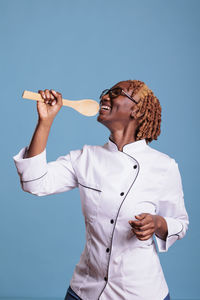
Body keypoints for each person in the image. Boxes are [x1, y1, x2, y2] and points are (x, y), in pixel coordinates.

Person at [13, 80, 189, 300]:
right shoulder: (86, 158)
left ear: (137, 110)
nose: (105, 96)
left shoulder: (164, 166)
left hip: (140, 292)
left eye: (116, 93)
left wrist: (158, 223)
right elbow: (33, 182)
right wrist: (45, 121)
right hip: (84, 291)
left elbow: (180, 224)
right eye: (106, 92)